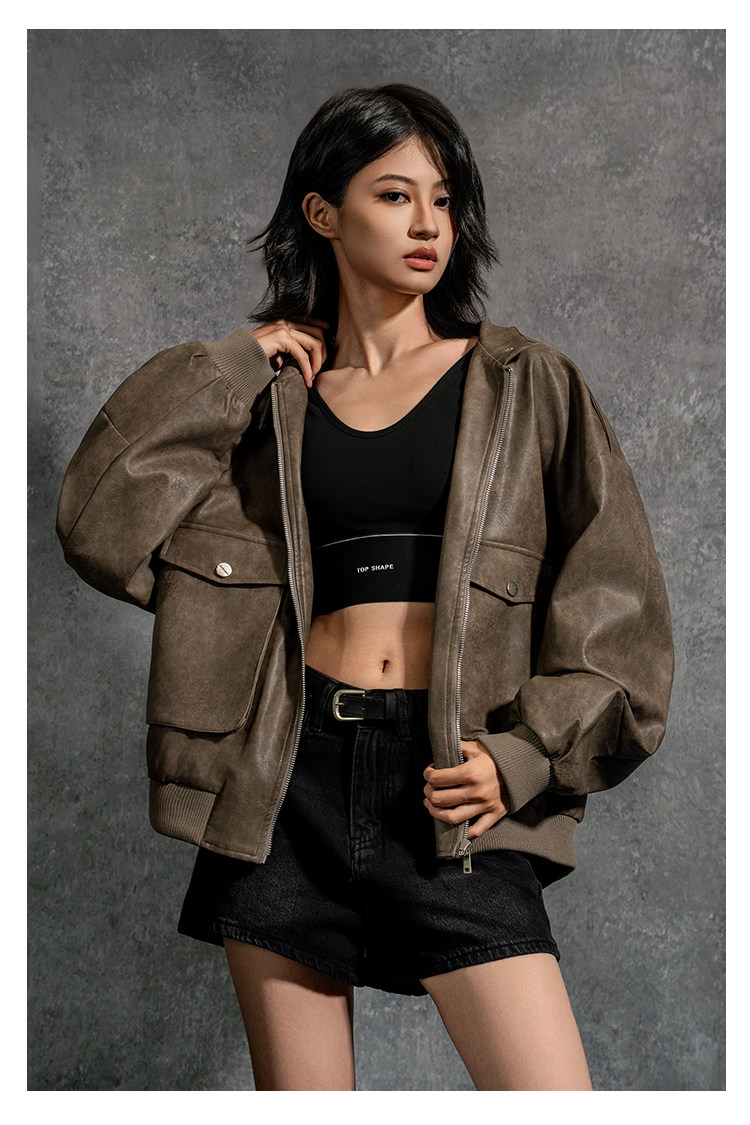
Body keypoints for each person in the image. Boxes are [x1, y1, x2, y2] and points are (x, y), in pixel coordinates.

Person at [56, 84, 674, 1092]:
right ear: (323, 212)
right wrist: (231, 365)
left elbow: (622, 615)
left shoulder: (527, 385)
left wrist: (523, 755)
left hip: (451, 784)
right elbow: (98, 519)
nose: (429, 223)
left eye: (444, 198)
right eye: (394, 195)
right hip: (282, 783)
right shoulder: (269, 401)